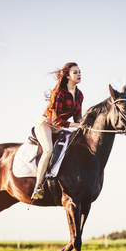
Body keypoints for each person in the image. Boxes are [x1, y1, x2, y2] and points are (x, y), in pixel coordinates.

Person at [31, 62, 84, 200]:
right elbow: (55, 120)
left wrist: (85, 124)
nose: (79, 74)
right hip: (46, 124)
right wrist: (76, 125)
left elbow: (78, 118)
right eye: (75, 72)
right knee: (48, 149)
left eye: (79, 72)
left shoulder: (80, 95)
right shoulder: (60, 93)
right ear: (67, 76)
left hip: (61, 127)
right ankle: (38, 186)